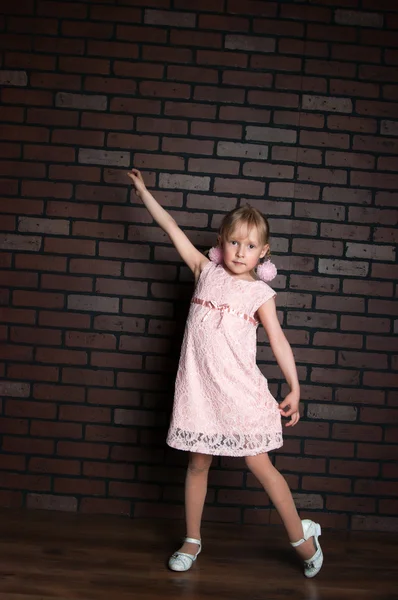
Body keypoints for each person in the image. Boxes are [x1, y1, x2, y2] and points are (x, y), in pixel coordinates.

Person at [127, 169, 323, 578]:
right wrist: (144, 192)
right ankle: (192, 540)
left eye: (249, 246)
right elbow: (169, 227)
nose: (239, 251)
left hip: (239, 393)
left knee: (261, 466)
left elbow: (279, 341)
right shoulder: (205, 270)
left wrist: (295, 387)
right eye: (233, 242)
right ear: (221, 244)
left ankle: (302, 538)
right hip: (200, 392)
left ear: (262, 253)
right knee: (198, 464)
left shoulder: (259, 294)